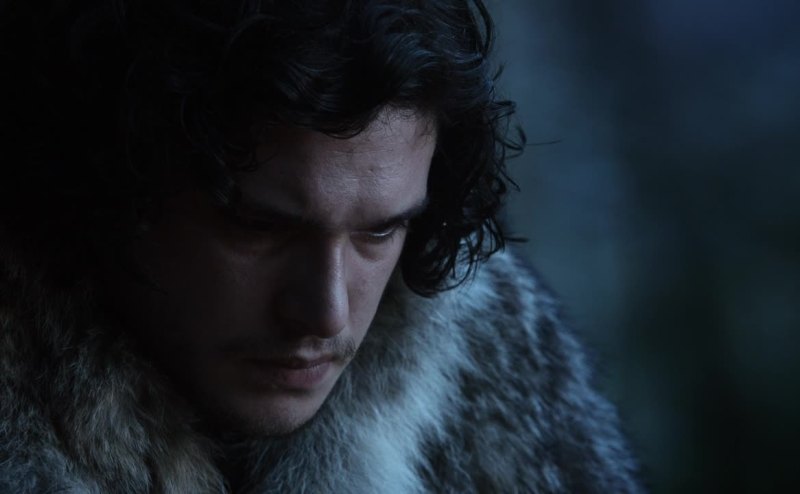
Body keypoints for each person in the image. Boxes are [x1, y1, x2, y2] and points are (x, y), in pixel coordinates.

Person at [0, 0, 643, 492]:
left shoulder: (495, 375)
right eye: (258, 226)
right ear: (117, 187)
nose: (327, 313)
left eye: (379, 230)